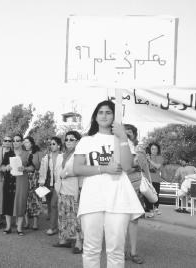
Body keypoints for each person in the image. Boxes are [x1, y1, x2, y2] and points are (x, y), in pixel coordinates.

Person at [73, 100, 144, 268]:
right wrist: (105, 168)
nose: (104, 115)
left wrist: (123, 137)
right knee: (91, 248)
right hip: (92, 198)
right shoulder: (86, 140)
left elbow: (127, 166)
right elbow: (77, 168)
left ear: (115, 116)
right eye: (101, 112)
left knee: (116, 250)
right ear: (95, 117)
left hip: (119, 199)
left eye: (109, 112)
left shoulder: (121, 139)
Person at [53, 131, 83, 254]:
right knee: (63, 215)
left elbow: (79, 170)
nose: (69, 141)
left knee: (76, 217)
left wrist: (64, 174)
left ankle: (79, 242)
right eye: (67, 139)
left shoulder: (80, 155)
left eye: (72, 139)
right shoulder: (62, 155)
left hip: (74, 188)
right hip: (62, 189)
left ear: (78, 141)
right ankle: (64, 240)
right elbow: (56, 172)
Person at [123, 124, 145, 264]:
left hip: (135, 186)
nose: (127, 136)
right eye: (124, 134)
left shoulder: (139, 150)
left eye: (129, 134)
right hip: (120, 186)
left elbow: (139, 168)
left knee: (134, 219)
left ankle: (133, 252)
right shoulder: (118, 148)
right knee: (121, 219)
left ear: (135, 135)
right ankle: (122, 250)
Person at [1, 134, 30, 236]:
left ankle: (19, 228)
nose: (15, 142)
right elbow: (1, 167)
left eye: (18, 140)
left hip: (21, 181)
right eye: (14, 140)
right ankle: (8, 227)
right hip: (9, 181)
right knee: (8, 202)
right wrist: (6, 167)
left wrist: (25, 168)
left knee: (21, 203)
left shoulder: (27, 154)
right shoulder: (8, 154)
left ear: (22, 142)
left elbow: (33, 167)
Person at [38, 136, 63, 236]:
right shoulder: (46, 157)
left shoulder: (63, 156)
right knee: (50, 206)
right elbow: (42, 170)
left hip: (59, 184)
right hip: (47, 184)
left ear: (59, 145)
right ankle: (55, 226)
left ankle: (53, 228)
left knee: (53, 205)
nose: (51, 146)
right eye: (51, 144)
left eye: (53, 144)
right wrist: (41, 181)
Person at [23, 136, 43, 230]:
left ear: (31, 143)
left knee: (35, 199)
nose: (25, 144)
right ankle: (26, 222)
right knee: (25, 200)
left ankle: (35, 223)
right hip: (25, 177)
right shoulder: (23, 153)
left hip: (36, 178)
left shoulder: (38, 153)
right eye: (24, 142)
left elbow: (41, 167)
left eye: (27, 142)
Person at [144, 142, 164, 217]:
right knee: (147, 196)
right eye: (152, 148)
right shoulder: (147, 157)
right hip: (147, 180)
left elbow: (158, 166)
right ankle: (151, 212)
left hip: (156, 180)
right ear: (150, 149)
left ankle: (156, 208)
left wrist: (149, 160)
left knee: (155, 195)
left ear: (158, 150)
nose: (154, 150)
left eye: (155, 149)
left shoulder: (160, 158)